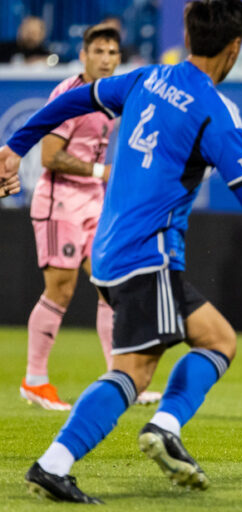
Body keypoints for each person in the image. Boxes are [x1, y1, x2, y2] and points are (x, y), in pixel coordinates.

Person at [0, 0, 242, 503]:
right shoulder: (214, 111)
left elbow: (73, 100)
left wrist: (15, 146)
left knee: (219, 339)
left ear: (189, 37)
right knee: (134, 371)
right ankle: (53, 463)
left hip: (107, 248)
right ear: (234, 49)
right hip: (148, 257)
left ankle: (165, 427)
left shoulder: (146, 77)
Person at [19, 23, 161, 411]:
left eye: (112, 53)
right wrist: (104, 172)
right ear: (83, 55)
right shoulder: (70, 94)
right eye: (98, 51)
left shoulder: (111, 97)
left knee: (109, 284)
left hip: (93, 203)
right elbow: (49, 156)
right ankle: (35, 380)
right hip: (58, 201)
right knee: (60, 290)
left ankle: (120, 377)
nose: (105, 59)